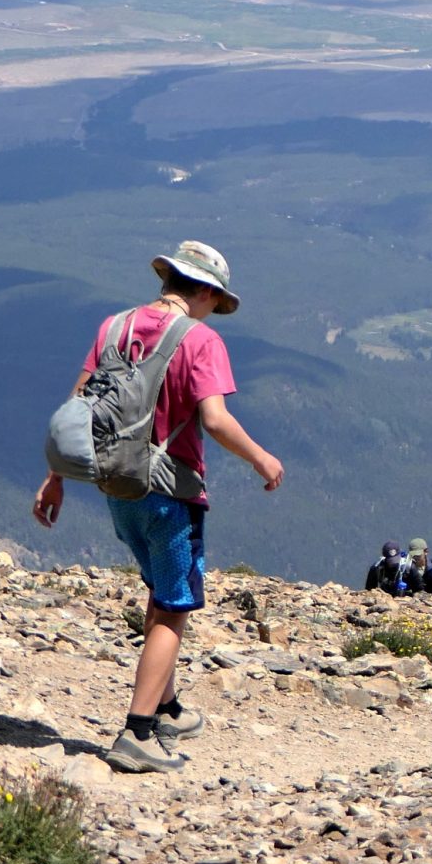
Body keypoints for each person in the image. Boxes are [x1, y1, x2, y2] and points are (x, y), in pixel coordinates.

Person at [32, 241, 283, 774]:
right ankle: (138, 731)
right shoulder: (202, 340)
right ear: (207, 293)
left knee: (157, 589)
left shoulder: (114, 327)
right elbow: (213, 420)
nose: (215, 310)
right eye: (216, 300)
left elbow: (80, 405)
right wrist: (261, 458)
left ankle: (167, 706)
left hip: (115, 487)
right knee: (174, 606)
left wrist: (55, 478)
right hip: (171, 492)